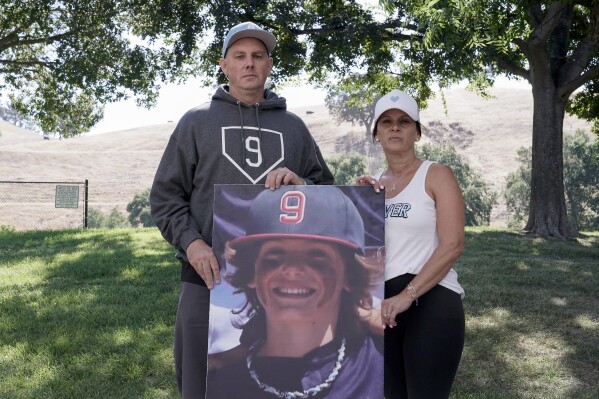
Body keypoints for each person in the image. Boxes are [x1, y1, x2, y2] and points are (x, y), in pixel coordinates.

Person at [150, 21, 334, 398]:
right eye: (239, 56)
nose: (249, 64)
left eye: (257, 56)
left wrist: (304, 186)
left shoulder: (294, 127)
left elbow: (326, 191)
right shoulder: (196, 122)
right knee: (202, 384)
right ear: (224, 65)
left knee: (276, 385)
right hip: (207, 278)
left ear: (269, 65)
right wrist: (192, 244)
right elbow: (166, 197)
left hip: (283, 283)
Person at [205, 185, 384, 399]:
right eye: (274, 257)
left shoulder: (382, 365)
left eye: (316, 257)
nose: (291, 269)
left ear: (349, 275)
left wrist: (369, 313)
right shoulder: (221, 383)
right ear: (253, 273)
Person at [356, 89, 466, 398]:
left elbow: (453, 244)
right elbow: (362, 251)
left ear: (416, 132)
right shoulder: (373, 185)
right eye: (386, 122)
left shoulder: (436, 174)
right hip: (384, 307)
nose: (395, 127)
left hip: (430, 301)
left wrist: (408, 295)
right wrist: (358, 203)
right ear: (376, 133)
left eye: (404, 121)